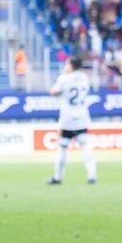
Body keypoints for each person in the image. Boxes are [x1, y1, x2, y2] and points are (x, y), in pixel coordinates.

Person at [47, 56, 96, 185]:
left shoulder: (64, 78)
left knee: (62, 148)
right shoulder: (85, 78)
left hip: (67, 119)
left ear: (70, 65)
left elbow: (54, 92)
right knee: (85, 147)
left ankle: (58, 177)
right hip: (82, 117)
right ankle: (91, 176)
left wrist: (63, 75)